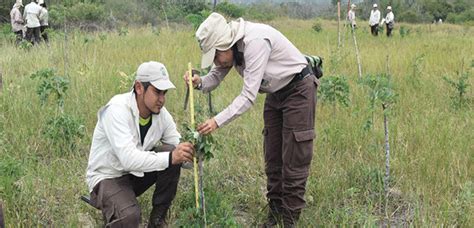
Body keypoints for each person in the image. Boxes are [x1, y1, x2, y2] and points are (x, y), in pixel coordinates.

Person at [185, 12, 319, 227]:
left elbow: (248, 96)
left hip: (298, 90)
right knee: (273, 158)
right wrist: (199, 82)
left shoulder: (255, 42)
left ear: (225, 44)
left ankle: (289, 221)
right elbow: (215, 75)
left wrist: (216, 121)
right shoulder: (229, 50)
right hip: (275, 93)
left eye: (216, 55)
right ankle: (274, 216)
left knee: (294, 159)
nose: (217, 61)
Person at [86, 61, 195, 227]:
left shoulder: (161, 114)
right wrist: (172, 157)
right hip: (108, 177)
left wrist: (196, 151)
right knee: (130, 217)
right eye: (157, 92)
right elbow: (128, 160)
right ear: (139, 88)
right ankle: (117, 209)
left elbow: (177, 147)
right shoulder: (117, 109)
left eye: (164, 93)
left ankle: (157, 221)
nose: (162, 99)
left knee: (171, 151)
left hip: (134, 175)